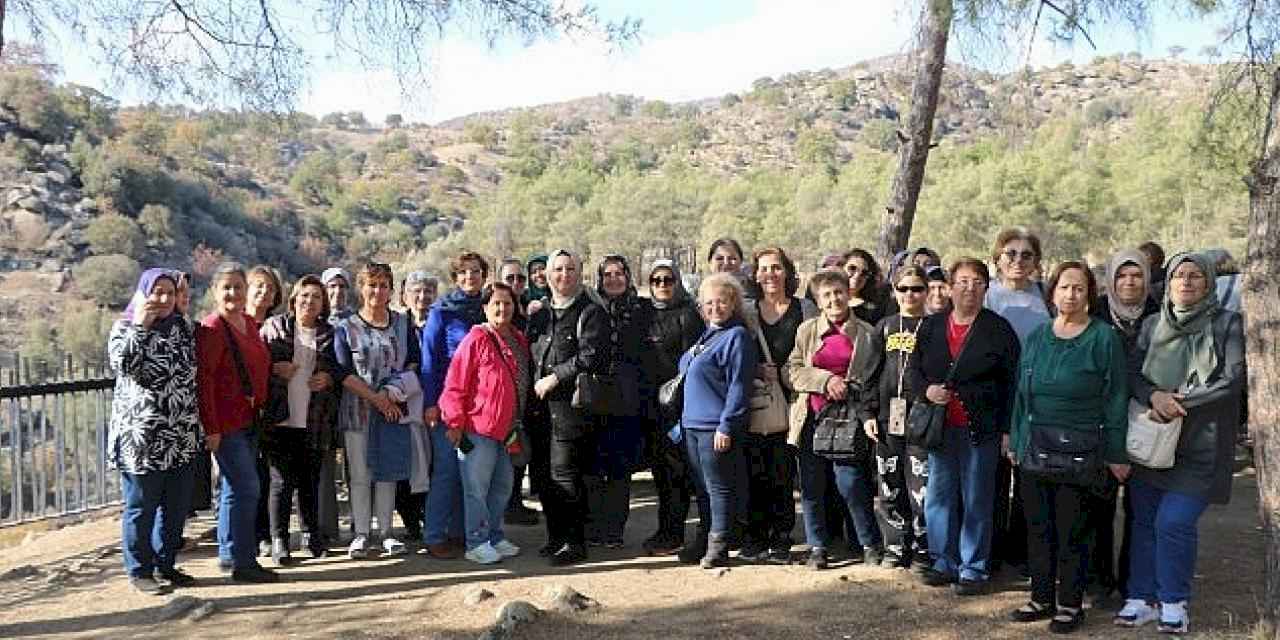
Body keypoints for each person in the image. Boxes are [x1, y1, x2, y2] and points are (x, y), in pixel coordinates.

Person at [1114, 252, 1245, 634]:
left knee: (1173, 522)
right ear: (1167, 284)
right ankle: (1141, 599)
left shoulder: (1227, 324)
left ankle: (1173, 601)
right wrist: (1155, 397)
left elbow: (1232, 380)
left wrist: (1179, 404)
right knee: (1143, 522)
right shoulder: (1154, 323)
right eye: (1178, 276)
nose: (1186, 283)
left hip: (1201, 445)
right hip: (1154, 442)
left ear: (1208, 283)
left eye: (1195, 277)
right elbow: (1134, 373)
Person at [1007, 262, 1130, 634]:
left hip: (1081, 449)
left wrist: (1116, 453)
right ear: (1053, 292)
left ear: (1089, 295)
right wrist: (1015, 438)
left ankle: (1070, 604)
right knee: (1038, 527)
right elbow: (1021, 395)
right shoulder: (1038, 336)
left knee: (1072, 530)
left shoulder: (1103, 337)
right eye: (1064, 287)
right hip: (1035, 446)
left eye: (1079, 288)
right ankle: (1041, 597)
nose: (1070, 294)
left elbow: (1116, 398)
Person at [909, 258, 1020, 595]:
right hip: (941, 428)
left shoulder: (998, 329)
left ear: (986, 288)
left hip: (981, 429)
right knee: (938, 498)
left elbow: (1011, 383)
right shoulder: (930, 327)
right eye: (962, 281)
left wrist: (1007, 430)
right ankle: (944, 561)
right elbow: (913, 370)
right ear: (950, 286)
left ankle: (973, 568)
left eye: (977, 281)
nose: (969, 287)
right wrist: (927, 390)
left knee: (977, 499)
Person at [108, 269, 202, 594]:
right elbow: (123, 364)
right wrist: (141, 327)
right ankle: (140, 570)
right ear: (144, 293)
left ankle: (166, 565)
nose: (164, 299)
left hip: (181, 435)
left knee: (175, 509)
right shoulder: (124, 328)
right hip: (143, 439)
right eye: (157, 292)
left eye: (170, 293)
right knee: (141, 507)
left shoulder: (185, 329)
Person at [784, 270, 883, 570]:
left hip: (850, 420)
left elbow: (875, 376)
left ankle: (869, 542)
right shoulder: (807, 331)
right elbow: (791, 372)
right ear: (817, 300)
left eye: (838, 292)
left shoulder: (867, 332)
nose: (834, 299)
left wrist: (852, 390)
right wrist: (825, 380)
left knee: (851, 483)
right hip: (812, 417)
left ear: (848, 293)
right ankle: (818, 546)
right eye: (826, 295)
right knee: (812, 486)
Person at [195, 262, 278, 583]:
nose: (233, 293)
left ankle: (230, 554)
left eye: (238, 287)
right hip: (226, 424)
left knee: (233, 489)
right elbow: (205, 381)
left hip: (248, 419)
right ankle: (245, 561)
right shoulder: (213, 328)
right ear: (215, 292)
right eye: (226, 287)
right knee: (247, 487)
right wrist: (211, 427)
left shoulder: (247, 323)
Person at [333, 262, 422, 559]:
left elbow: (412, 363)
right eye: (372, 284)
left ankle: (386, 532)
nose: (378, 291)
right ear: (361, 288)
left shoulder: (402, 323)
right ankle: (360, 533)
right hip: (358, 410)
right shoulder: (345, 327)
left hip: (393, 410)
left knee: (388, 473)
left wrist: (389, 395)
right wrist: (374, 398)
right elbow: (343, 372)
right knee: (359, 474)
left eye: (384, 285)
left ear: (391, 290)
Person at [438, 282, 531, 564]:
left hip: (509, 429)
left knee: (502, 485)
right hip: (478, 429)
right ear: (485, 308)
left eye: (507, 303)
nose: (502, 309)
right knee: (476, 488)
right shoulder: (476, 339)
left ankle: (494, 535)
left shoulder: (518, 338)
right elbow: (455, 384)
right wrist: (454, 422)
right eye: (496, 304)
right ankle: (476, 541)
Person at [527, 249, 609, 566]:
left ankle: (575, 543)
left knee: (566, 475)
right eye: (558, 269)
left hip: (569, 407)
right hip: (538, 408)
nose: (564, 275)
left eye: (570, 269)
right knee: (544, 475)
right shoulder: (540, 313)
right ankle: (555, 537)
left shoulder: (591, 312)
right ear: (547, 275)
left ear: (580, 273)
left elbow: (591, 356)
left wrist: (554, 377)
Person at [1089, 248, 1160, 599]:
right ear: (1111, 279)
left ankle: (1134, 581)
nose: (1129, 282)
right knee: (1098, 506)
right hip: (1101, 422)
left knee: (1140, 508)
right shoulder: (1095, 313)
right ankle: (1099, 580)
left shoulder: (1159, 314)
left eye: (1136, 275)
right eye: (1122, 275)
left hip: (1148, 422)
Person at [260, 275, 342, 564]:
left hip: (315, 419)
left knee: (310, 481)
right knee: (280, 483)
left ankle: (311, 534)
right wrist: (272, 368)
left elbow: (341, 370)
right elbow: (256, 366)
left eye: (316, 297)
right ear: (293, 300)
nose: (309, 301)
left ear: (324, 304)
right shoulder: (274, 327)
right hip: (280, 418)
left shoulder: (331, 334)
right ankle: (279, 538)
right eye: (304, 295)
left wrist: (329, 377)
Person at [739, 247, 813, 563]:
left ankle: (782, 537)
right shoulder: (747, 311)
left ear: (787, 272)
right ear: (756, 275)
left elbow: (815, 349)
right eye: (764, 268)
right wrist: (756, 369)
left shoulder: (805, 308)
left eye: (777, 267)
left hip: (795, 400)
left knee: (783, 472)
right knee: (755, 469)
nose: (770, 274)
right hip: (758, 401)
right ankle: (756, 536)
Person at [678, 272, 757, 568]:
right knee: (701, 487)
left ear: (733, 303)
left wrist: (727, 425)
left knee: (718, 487)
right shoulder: (706, 335)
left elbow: (739, 386)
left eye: (721, 302)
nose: (714, 308)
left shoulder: (736, 336)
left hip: (714, 426)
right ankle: (703, 538)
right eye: (708, 303)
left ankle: (719, 545)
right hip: (691, 425)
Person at [985, 228, 1050, 574]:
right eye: (1010, 254)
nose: (1018, 261)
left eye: (1026, 255)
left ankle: (1024, 550)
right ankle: (992, 550)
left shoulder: (1046, 297)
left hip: (1037, 397)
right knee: (994, 477)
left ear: (1036, 262)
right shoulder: (988, 296)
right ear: (997, 258)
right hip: (996, 395)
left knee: (1030, 477)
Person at [419, 252, 489, 558]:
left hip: (481, 406)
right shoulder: (442, 311)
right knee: (447, 471)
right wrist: (431, 403)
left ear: (484, 275)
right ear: (456, 278)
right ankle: (434, 535)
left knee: (470, 472)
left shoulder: (489, 308)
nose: (470, 277)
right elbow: (429, 360)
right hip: (450, 403)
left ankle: (461, 533)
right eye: (464, 273)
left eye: (475, 272)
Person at [867, 265, 931, 570]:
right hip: (886, 418)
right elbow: (869, 372)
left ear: (926, 292)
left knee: (921, 487)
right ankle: (895, 545)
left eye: (916, 288)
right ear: (894, 291)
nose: (910, 295)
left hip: (922, 419)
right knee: (889, 484)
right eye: (903, 289)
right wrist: (867, 413)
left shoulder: (935, 327)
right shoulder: (884, 327)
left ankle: (923, 547)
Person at [585, 255, 650, 548]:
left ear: (627, 276)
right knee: (594, 467)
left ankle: (614, 529)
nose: (613, 279)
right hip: (595, 398)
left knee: (620, 469)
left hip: (627, 399)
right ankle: (594, 526)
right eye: (607, 274)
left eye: (619, 273)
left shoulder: (640, 310)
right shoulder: (589, 309)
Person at [640, 259, 704, 556]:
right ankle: (666, 530)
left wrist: (679, 399)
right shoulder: (644, 313)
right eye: (656, 280)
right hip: (651, 407)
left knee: (678, 475)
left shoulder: (688, 315)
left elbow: (693, 361)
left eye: (668, 280)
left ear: (678, 282)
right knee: (661, 474)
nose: (663, 286)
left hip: (679, 405)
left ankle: (677, 533)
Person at [497, 257, 540, 526]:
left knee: (519, 453)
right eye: (509, 278)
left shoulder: (529, 313)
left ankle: (514, 502)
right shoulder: (493, 314)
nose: (515, 283)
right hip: (501, 400)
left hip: (526, 396)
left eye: (519, 278)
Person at [396, 269, 438, 541]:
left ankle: (430, 516)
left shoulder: (439, 322)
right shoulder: (397, 324)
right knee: (407, 462)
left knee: (433, 462)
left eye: (428, 292)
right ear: (405, 296)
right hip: (405, 402)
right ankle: (410, 518)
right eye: (416, 291)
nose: (422, 297)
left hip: (433, 401)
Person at [245, 265, 283, 557]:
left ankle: (262, 534)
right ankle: (239, 536)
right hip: (238, 411)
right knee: (239, 475)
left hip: (270, 411)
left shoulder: (278, 328)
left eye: (269, 288)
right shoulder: (233, 324)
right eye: (258, 285)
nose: (263, 292)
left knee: (266, 475)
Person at [317, 267, 350, 545]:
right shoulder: (313, 323)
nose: (337, 292)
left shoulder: (355, 323)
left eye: (342, 287)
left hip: (352, 403)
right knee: (324, 468)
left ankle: (362, 524)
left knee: (357, 467)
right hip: (322, 407)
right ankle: (326, 529)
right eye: (331, 287)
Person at [842, 248, 887, 325]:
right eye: (852, 268)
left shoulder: (876, 310)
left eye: (864, 273)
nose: (857, 276)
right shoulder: (826, 300)